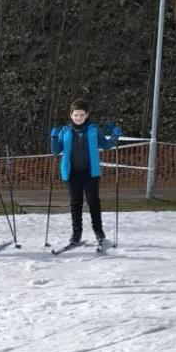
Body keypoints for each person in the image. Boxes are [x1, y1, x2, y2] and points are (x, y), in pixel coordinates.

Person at [50, 99, 121, 248]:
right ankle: (76, 233)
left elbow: (106, 145)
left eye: (82, 115)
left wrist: (115, 136)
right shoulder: (65, 131)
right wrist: (54, 137)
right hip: (72, 173)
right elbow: (56, 150)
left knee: (93, 202)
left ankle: (98, 231)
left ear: (87, 114)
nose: (78, 118)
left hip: (90, 173)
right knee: (75, 203)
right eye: (76, 115)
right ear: (71, 115)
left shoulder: (93, 129)